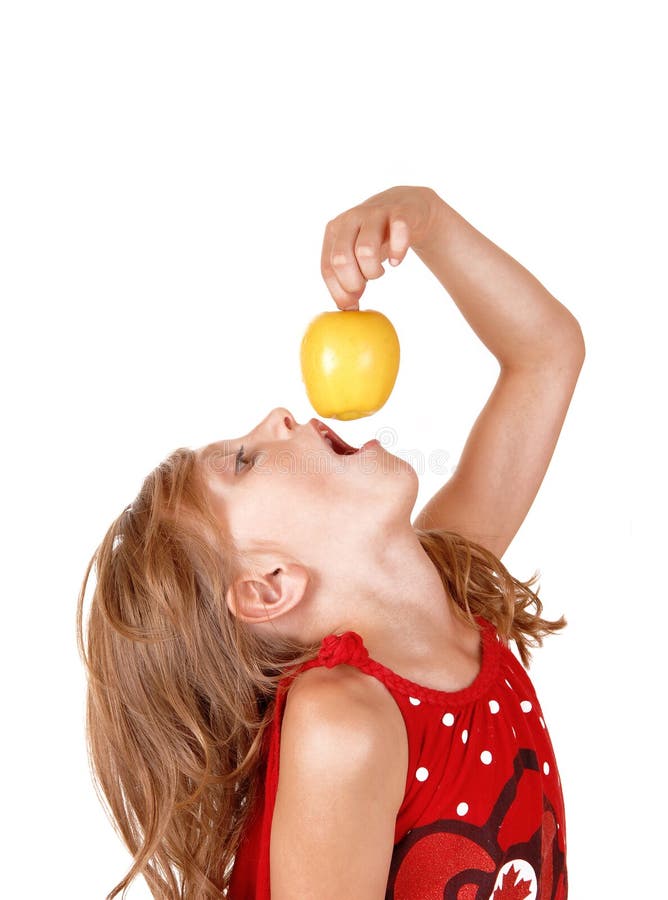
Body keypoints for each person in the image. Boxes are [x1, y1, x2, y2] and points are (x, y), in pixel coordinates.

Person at [77, 185, 585, 899]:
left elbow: (547, 353)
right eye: (244, 461)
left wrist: (427, 220)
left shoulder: (451, 586)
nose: (279, 414)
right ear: (268, 585)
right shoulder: (343, 722)